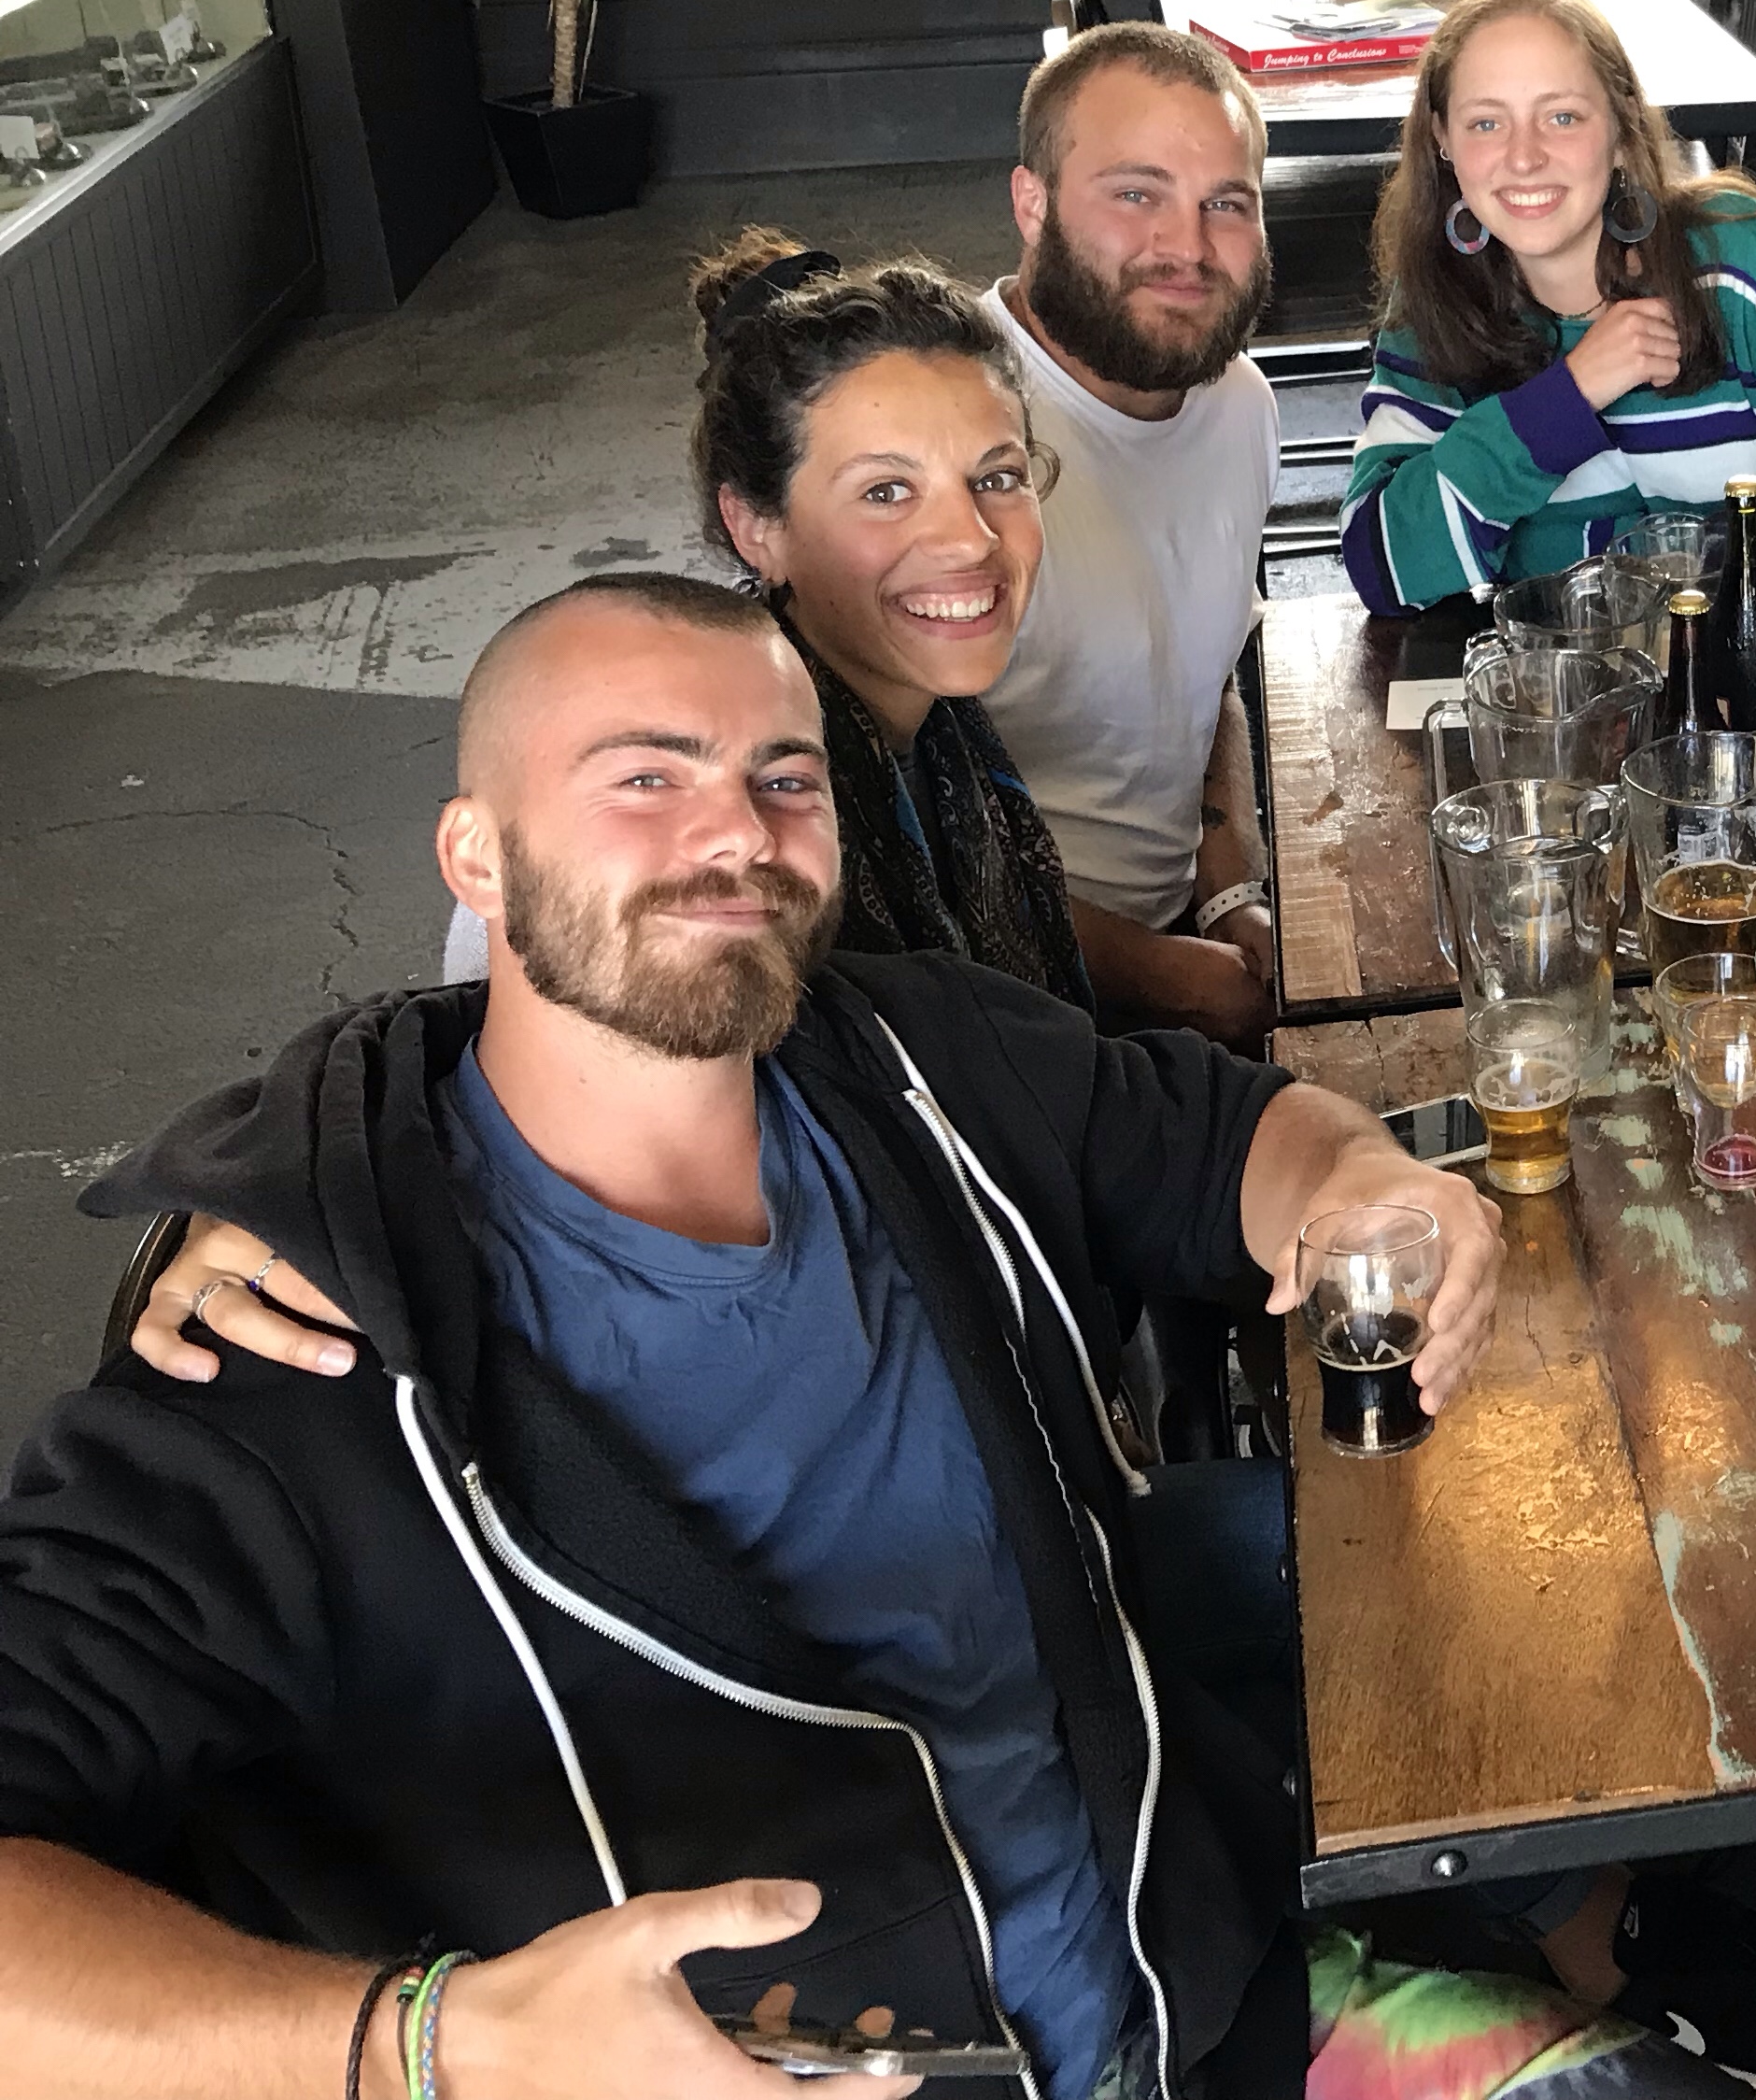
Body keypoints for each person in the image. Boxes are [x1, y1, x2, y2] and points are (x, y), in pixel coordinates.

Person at [0, 574, 1645, 2100]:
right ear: (475, 855)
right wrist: (427, 2041)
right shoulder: (293, 1358)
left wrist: (1362, 1188)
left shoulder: (916, 1062)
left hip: (1191, 1999)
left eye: (784, 777)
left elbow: (1226, 1134)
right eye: (646, 776)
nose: (737, 829)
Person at [1342, 0, 1756, 611]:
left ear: (1622, 130)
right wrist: (1567, 397)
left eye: (1562, 117)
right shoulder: (1438, 298)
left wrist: (1627, 586)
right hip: (1559, 674)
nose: (1524, 157)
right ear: (1442, 139)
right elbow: (1381, 566)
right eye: (1486, 123)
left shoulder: (1744, 266)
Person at [982, 21, 1285, 1054]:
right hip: (999, 1000)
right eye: (1136, 193)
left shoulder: (1239, 403)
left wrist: (1228, 883)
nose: (1187, 249)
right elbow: (890, 845)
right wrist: (1165, 978)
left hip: (1183, 948)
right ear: (1031, 204)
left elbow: (1205, 666)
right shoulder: (955, 438)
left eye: (1225, 203)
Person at [688, 231, 1092, 1003]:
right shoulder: (749, 838)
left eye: (997, 477)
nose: (971, 539)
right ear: (756, 529)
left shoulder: (936, 731)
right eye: (886, 492)